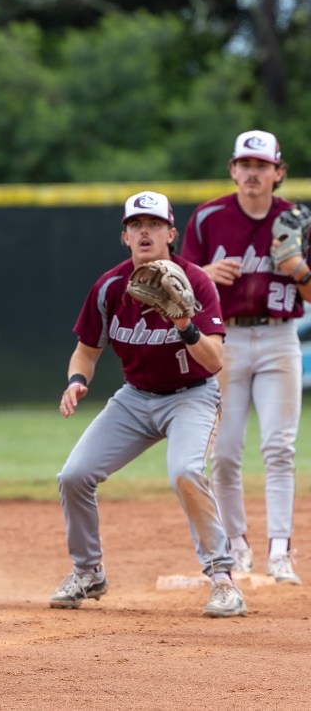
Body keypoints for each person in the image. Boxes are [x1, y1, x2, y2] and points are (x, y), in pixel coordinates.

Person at [52, 190, 246, 618]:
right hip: (136, 398)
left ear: (171, 233)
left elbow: (214, 361)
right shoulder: (110, 287)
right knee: (74, 475)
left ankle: (222, 578)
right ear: (124, 236)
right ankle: (88, 572)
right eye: (135, 225)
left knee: (186, 472)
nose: (145, 232)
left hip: (192, 396)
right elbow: (86, 351)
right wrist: (77, 381)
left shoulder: (196, 282)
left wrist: (185, 325)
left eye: (154, 224)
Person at [180, 130, 307, 585]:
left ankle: (280, 552)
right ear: (233, 170)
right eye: (246, 165)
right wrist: (203, 274)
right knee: (226, 453)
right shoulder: (208, 218)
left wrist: (298, 269)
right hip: (225, 340)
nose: (253, 173)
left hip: (279, 338)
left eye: (262, 166)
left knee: (279, 447)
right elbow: (176, 285)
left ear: (278, 172)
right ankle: (236, 546)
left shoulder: (297, 219)